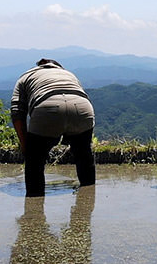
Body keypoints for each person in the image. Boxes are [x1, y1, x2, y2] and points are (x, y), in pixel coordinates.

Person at [10, 59, 96, 197]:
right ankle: (88, 198)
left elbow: (17, 113)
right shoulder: (68, 74)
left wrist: (25, 145)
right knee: (84, 155)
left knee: (35, 163)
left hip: (46, 107)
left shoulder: (25, 77)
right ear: (58, 66)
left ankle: (34, 209)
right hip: (82, 107)